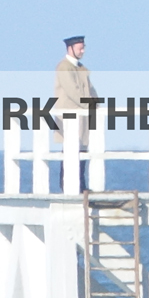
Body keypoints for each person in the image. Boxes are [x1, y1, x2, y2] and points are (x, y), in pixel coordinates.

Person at [52, 35, 96, 189]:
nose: (83, 51)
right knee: (70, 150)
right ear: (70, 48)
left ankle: (81, 186)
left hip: (83, 117)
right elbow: (73, 91)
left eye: (83, 47)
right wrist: (89, 105)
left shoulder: (81, 68)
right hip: (70, 117)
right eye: (80, 48)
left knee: (82, 150)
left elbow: (90, 90)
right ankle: (67, 186)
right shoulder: (64, 67)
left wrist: (96, 105)